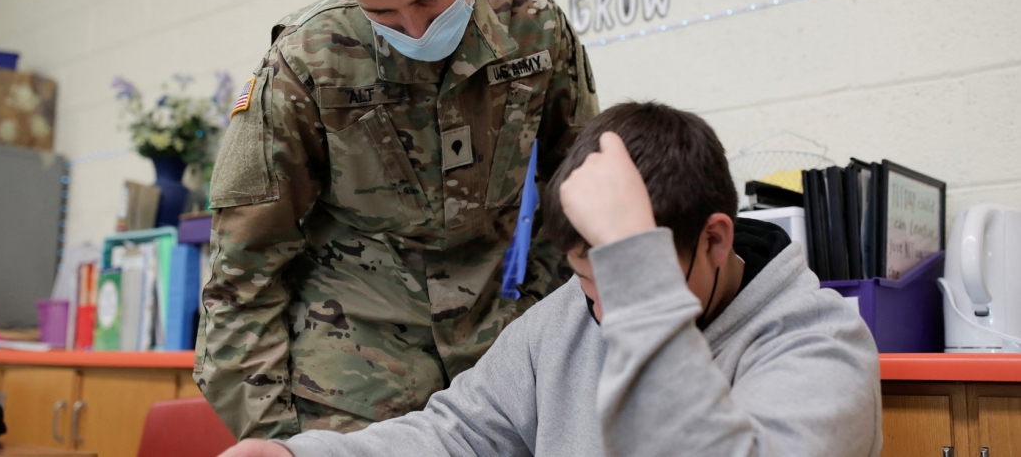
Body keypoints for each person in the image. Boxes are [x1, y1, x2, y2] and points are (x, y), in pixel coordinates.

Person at [217, 102, 883, 457]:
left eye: (619, 284)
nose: (600, 314)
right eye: (588, 284)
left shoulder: (821, 350)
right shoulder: (567, 316)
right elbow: (459, 437)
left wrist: (636, 278)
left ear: (715, 239)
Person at [194, 0, 598, 439]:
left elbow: (585, 195)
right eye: (383, 12)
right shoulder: (306, 64)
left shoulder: (532, 25)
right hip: (353, 380)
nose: (415, 28)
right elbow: (241, 279)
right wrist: (282, 442)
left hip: (504, 357)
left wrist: (565, 337)